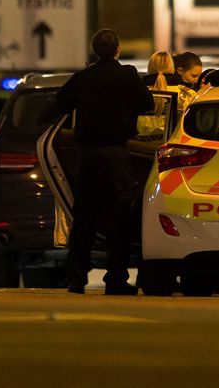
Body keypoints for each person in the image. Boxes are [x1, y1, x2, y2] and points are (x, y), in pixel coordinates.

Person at [56, 29, 154, 295]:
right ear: (118, 50)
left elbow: (60, 102)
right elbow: (148, 104)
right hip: (115, 155)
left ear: (94, 51)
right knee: (118, 219)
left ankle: (76, 279)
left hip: (86, 156)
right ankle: (116, 279)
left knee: (84, 219)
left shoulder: (83, 78)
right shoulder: (127, 75)